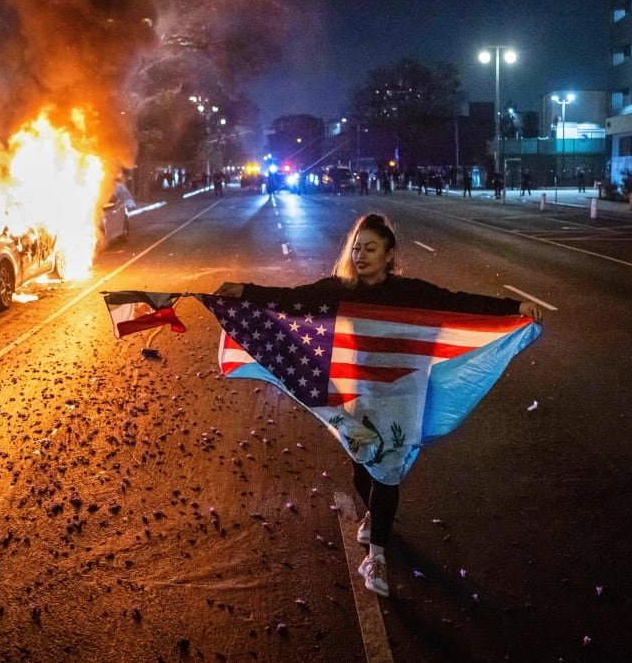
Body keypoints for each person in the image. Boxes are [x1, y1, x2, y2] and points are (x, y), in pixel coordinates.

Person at [215, 213, 543, 597]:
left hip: (402, 396)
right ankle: (373, 515)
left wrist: (512, 306)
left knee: (386, 471)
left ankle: (378, 556)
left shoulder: (410, 292)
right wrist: (243, 290)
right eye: (356, 247)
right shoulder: (339, 289)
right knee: (362, 468)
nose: (360, 255)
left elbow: (459, 303)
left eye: (371, 248)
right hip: (357, 394)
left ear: (390, 255)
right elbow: (292, 298)